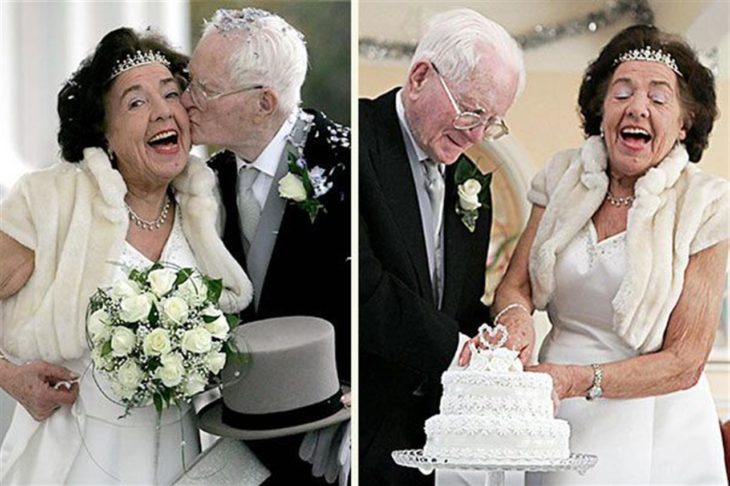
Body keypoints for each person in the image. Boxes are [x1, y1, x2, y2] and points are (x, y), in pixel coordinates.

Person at [464, 24, 728, 484]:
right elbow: (517, 284)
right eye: (621, 92)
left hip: (656, 422)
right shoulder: (563, 175)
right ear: (601, 110)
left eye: (659, 98)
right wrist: (515, 317)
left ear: (685, 122)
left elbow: (686, 361)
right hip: (555, 410)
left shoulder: (707, 203)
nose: (638, 107)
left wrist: (575, 380)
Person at [0, 28, 252, 484]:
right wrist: (10, 378)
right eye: (135, 103)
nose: (161, 111)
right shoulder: (50, 201)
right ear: (106, 135)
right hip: (74, 463)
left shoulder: (207, 207)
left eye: (171, 94)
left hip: (187, 465)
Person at [181, 8, 350, 486]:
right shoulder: (201, 184)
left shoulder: (349, 170)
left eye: (205, 89)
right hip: (245, 431)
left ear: (264, 102)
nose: (186, 100)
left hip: (334, 445)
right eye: (189, 81)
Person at [359, 8, 525, 485]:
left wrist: (494, 342)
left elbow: (459, 304)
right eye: (472, 111)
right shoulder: (358, 142)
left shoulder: (474, 184)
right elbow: (362, 283)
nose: (476, 135)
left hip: (431, 441)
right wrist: (458, 351)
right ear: (419, 77)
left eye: (493, 122)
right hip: (359, 426)